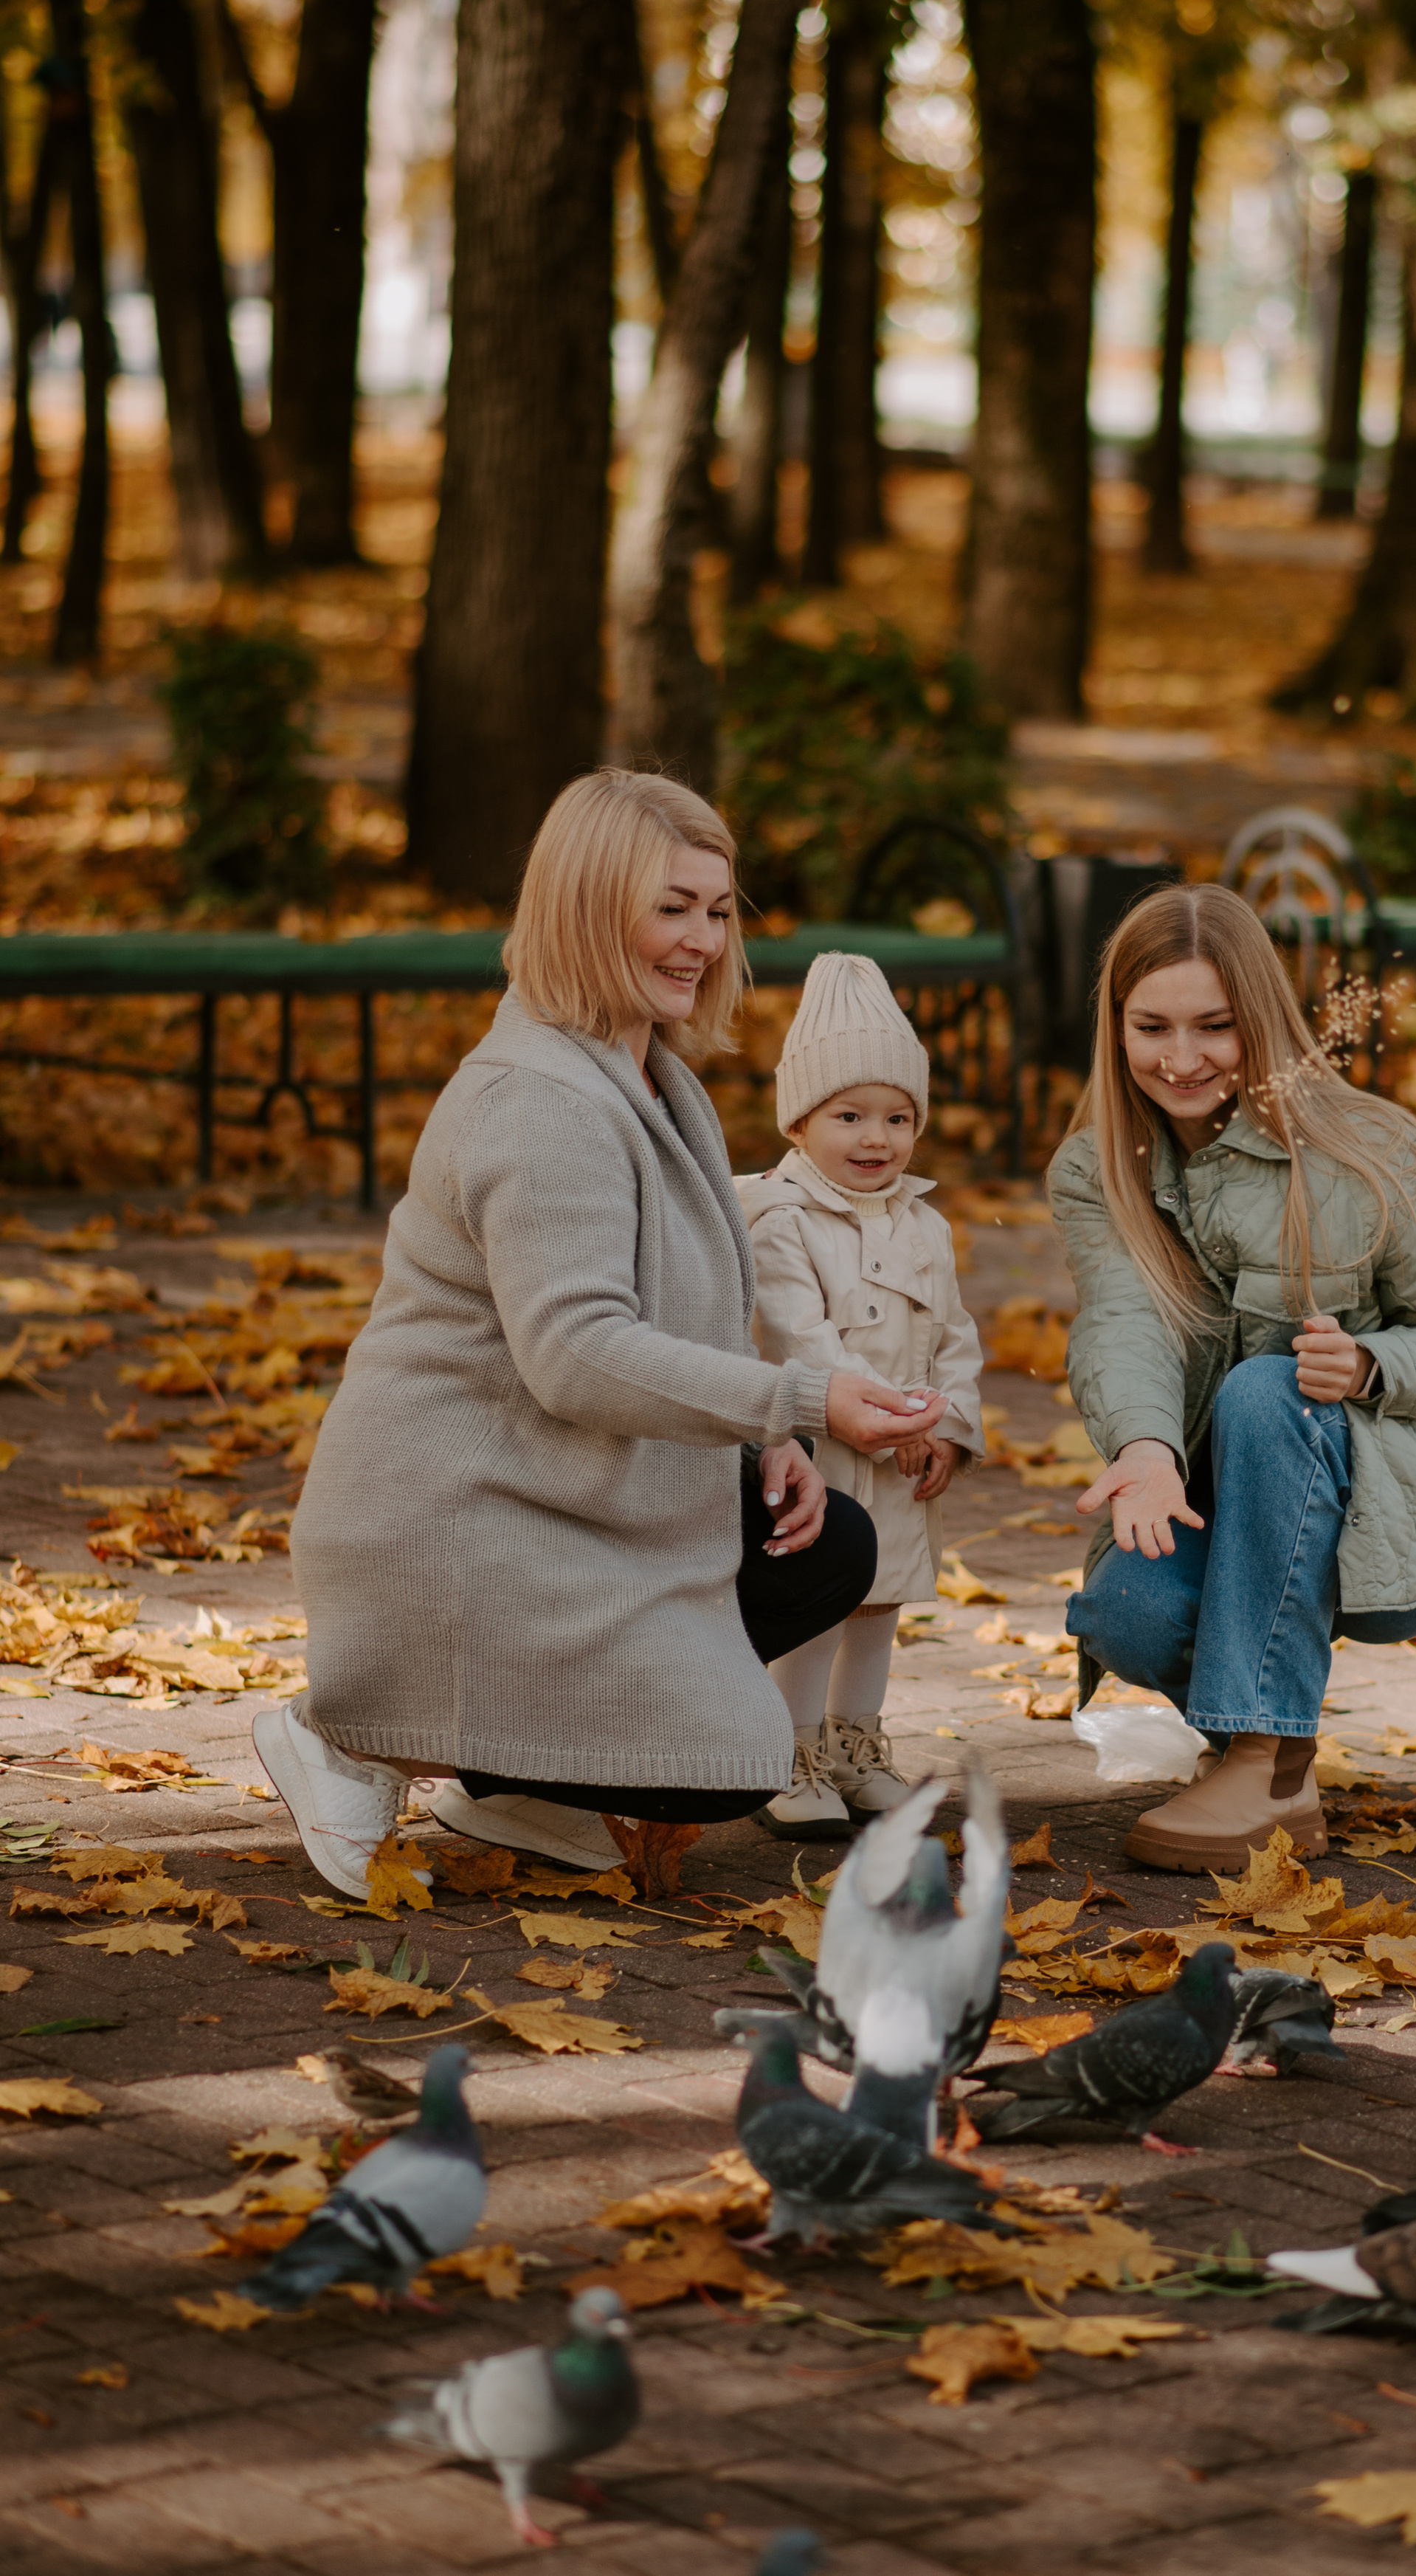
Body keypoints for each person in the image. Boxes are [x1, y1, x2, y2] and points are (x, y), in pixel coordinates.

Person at [255, 770, 947, 1901]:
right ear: (585, 905)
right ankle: (354, 1735)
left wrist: (759, 1445)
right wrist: (801, 1401)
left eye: (718, 910)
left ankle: (511, 1780)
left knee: (825, 1548)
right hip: (457, 1518)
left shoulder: (657, 1076)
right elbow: (575, 1350)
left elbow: (681, 1316)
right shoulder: (539, 1100)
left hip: (565, 1486)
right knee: (723, 1765)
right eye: (671, 906)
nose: (703, 940)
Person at [1049, 883, 1416, 1875]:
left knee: (1269, 1385)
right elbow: (1123, 1319)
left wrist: (1374, 1364)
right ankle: (1266, 1748)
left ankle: (1264, 1759)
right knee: (1123, 1610)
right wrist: (1145, 1450)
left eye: (1216, 1025)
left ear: (1260, 1016)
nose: (1182, 1057)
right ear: (1115, 1025)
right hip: (1229, 1504)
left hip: (1391, 1511)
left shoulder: (1369, 1150)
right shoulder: (1100, 1169)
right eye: (1152, 1026)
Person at [737, 952, 984, 1836]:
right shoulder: (780, 1220)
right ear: (800, 1122)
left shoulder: (925, 1224)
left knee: (880, 1599)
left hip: (906, 1451)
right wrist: (893, 1416)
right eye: (849, 1116)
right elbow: (803, 1338)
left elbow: (954, 1334)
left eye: (897, 1117)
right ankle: (788, 1747)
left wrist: (946, 1425)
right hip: (821, 1445)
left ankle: (854, 1744)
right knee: (822, 1593)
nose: (875, 1138)